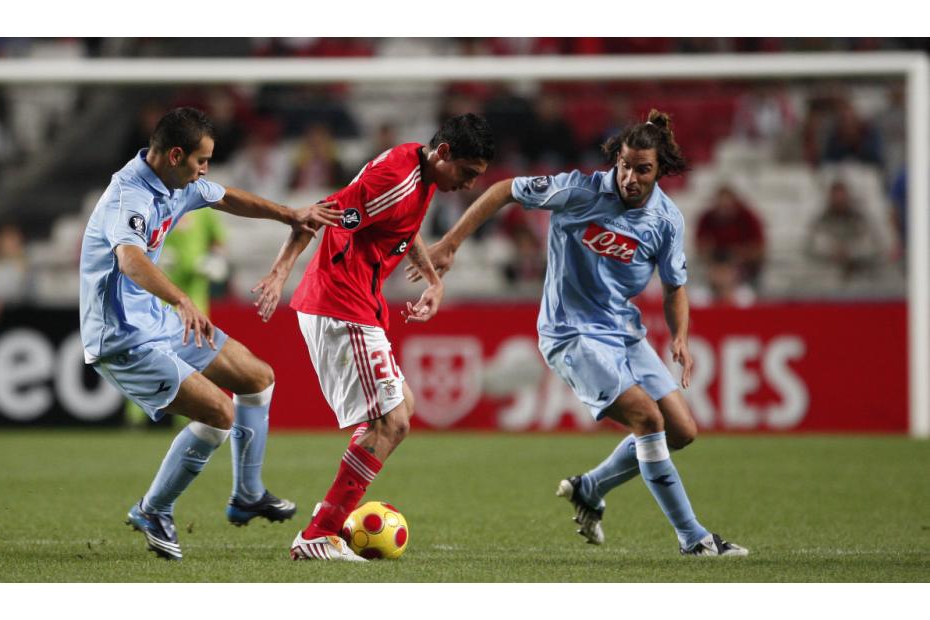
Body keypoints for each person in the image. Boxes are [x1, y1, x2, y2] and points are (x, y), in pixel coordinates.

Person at [410, 110, 748, 557]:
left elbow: (675, 288)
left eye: (641, 169)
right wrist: (451, 243)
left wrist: (680, 335)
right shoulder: (580, 190)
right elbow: (503, 189)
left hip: (624, 332)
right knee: (649, 420)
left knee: (682, 430)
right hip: (570, 333)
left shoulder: (667, 221)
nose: (629, 177)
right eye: (624, 165)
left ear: (659, 171)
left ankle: (590, 487)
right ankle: (693, 538)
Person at [78, 107, 341, 560]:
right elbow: (130, 260)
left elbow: (225, 197)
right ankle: (153, 509)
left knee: (257, 377)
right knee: (219, 413)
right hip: (122, 336)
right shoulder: (130, 196)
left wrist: (289, 215)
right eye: (201, 160)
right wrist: (182, 299)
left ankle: (247, 494)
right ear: (175, 155)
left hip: (157, 321)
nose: (206, 169)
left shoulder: (176, 181)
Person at [251, 114, 495, 561]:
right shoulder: (395, 178)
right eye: (467, 173)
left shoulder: (418, 172)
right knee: (392, 421)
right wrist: (280, 271)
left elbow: (400, 224)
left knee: (401, 409)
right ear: (444, 154)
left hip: (358, 304)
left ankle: (333, 518)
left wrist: (432, 279)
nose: (469, 184)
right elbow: (319, 213)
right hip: (339, 305)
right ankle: (319, 533)